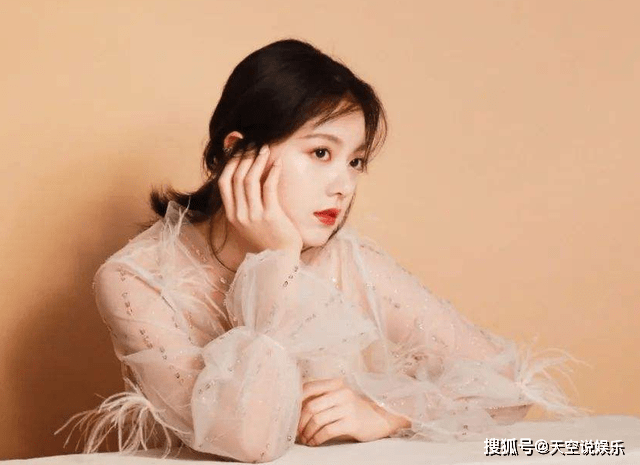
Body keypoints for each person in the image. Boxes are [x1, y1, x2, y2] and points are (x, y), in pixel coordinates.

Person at [55, 38, 588, 463]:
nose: (344, 185)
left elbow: (508, 384)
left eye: (354, 161)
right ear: (238, 153)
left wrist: (384, 412)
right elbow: (248, 442)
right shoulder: (136, 281)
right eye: (320, 153)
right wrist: (277, 261)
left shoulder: (348, 262)